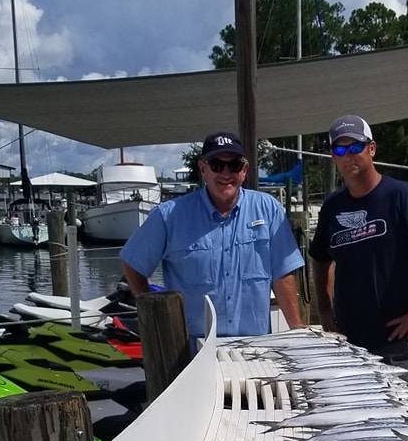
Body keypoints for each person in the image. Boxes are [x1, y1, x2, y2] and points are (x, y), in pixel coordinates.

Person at [120, 132, 305, 343]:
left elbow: (282, 273)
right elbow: (133, 264)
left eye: (234, 165)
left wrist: (297, 329)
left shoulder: (269, 209)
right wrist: (153, 320)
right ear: (203, 169)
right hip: (190, 352)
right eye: (217, 164)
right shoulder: (168, 216)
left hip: (256, 349)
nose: (226, 173)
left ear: (244, 170)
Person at [309, 115, 408, 376]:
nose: (348, 155)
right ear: (333, 156)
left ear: (371, 149)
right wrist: (324, 307)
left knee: (395, 415)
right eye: (340, 149)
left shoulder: (402, 196)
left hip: (394, 341)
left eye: (355, 147)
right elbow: (319, 257)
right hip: (346, 340)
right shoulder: (333, 206)